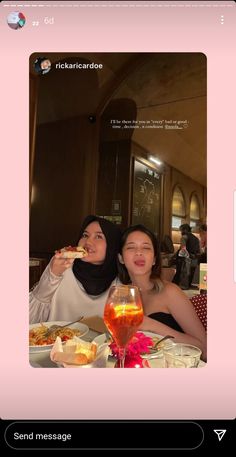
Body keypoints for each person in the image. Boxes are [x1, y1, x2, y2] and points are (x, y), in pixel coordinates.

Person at [117, 224, 206, 361]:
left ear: (154, 259)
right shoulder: (121, 295)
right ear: (121, 258)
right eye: (131, 247)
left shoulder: (171, 293)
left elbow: (204, 349)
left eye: (146, 248)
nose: (139, 252)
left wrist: (150, 325)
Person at [29, 215, 121, 324]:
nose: (88, 242)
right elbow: (30, 319)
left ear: (112, 245)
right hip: (57, 340)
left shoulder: (122, 284)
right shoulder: (62, 269)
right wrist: (52, 275)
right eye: (85, 235)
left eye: (98, 237)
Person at [172, 223, 200, 289]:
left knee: (181, 275)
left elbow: (183, 249)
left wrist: (174, 256)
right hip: (194, 260)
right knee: (190, 275)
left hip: (186, 259)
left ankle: (177, 287)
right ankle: (187, 286)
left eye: (181, 230)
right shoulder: (196, 238)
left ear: (185, 230)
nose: (181, 232)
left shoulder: (184, 237)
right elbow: (199, 251)